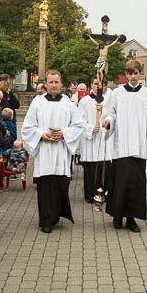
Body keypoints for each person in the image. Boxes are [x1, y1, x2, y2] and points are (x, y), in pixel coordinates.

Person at [102, 60, 147, 232]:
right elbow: (109, 113)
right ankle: (117, 215)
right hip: (121, 146)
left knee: (136, 184)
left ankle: (131, 219)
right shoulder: (117, 93)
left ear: (140, 73)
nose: (133, 76)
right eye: (130, 73)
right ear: (126, 75)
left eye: (136, 73)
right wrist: (107, 121)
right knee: (120, 183)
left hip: (139, 146)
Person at [22, 70, 86, 233]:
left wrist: (64, 133)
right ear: (45, 83)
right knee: (45, 186)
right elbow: (27, 127)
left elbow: (79, 126)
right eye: (51, 82)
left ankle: (56, 216)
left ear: (61, 83)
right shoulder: (37, 103)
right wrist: (41, 135)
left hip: (61, 151)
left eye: (56, 82)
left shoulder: (68, 103)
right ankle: (46, 221)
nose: (54, 85)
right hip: (44, 151)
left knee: (59, 185)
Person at [78, 76, 113, 203]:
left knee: (105, 167)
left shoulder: (110, 101)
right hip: (91, 140)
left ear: (106, 85)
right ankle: (91, 194)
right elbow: (79, 121)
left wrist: (107, 121)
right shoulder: (84, 101)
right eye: (96, 84)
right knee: (91, 168)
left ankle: (105, 193)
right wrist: (90, 128)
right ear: (91, 85)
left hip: (104, 139)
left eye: (102, 84)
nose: (99, 86)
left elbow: (113, 116)